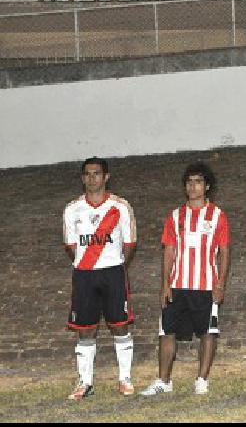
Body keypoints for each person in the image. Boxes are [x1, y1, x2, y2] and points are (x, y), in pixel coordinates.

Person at [140, 163, 231, 396]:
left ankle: (201, 379)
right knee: (166, 332)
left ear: (207, 186)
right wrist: (164, 285)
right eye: (189, 182)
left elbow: (225, 252)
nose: (193, 186)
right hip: (178, 285)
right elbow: (169, 251)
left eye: (198, 181)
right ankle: (164, 380)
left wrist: (220, 284)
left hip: (205, 285)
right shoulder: (175, 216)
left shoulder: (218, 216)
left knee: (207, 333)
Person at [63, 157, 137, 400]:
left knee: (120, 325)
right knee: (85, 329)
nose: (92, 178)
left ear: (106, 177)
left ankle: (125, 378)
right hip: (84, 276)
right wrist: (88, 262)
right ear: (82, 178)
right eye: (87, 174)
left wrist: (115, 264)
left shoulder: (120, 207)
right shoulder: (72, 209)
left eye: (97, 174)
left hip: (113, 273)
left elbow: (129, 243)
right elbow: (71, 246)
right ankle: (85, 382)